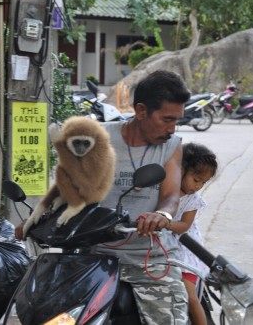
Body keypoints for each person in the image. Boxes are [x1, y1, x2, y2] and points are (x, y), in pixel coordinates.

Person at [95, 70, 192, 324]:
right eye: (166, 120)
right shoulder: (98, 138)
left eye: (177, 121)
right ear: (141, 111)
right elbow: (70, 186)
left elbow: (171, 195)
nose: (172, 129)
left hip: (152, 258)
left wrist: (161, 214)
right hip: (96, 254)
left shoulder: (172, 146)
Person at [166, 142, 218, 325]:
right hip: (159, 245)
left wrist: (165, 223)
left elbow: (184, 226)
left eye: (203, 182)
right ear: (180, 170)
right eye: (196, 180)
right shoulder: (162, 189)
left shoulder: (193, 200)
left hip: (185, 248)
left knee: (189, 296)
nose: (198, 186)